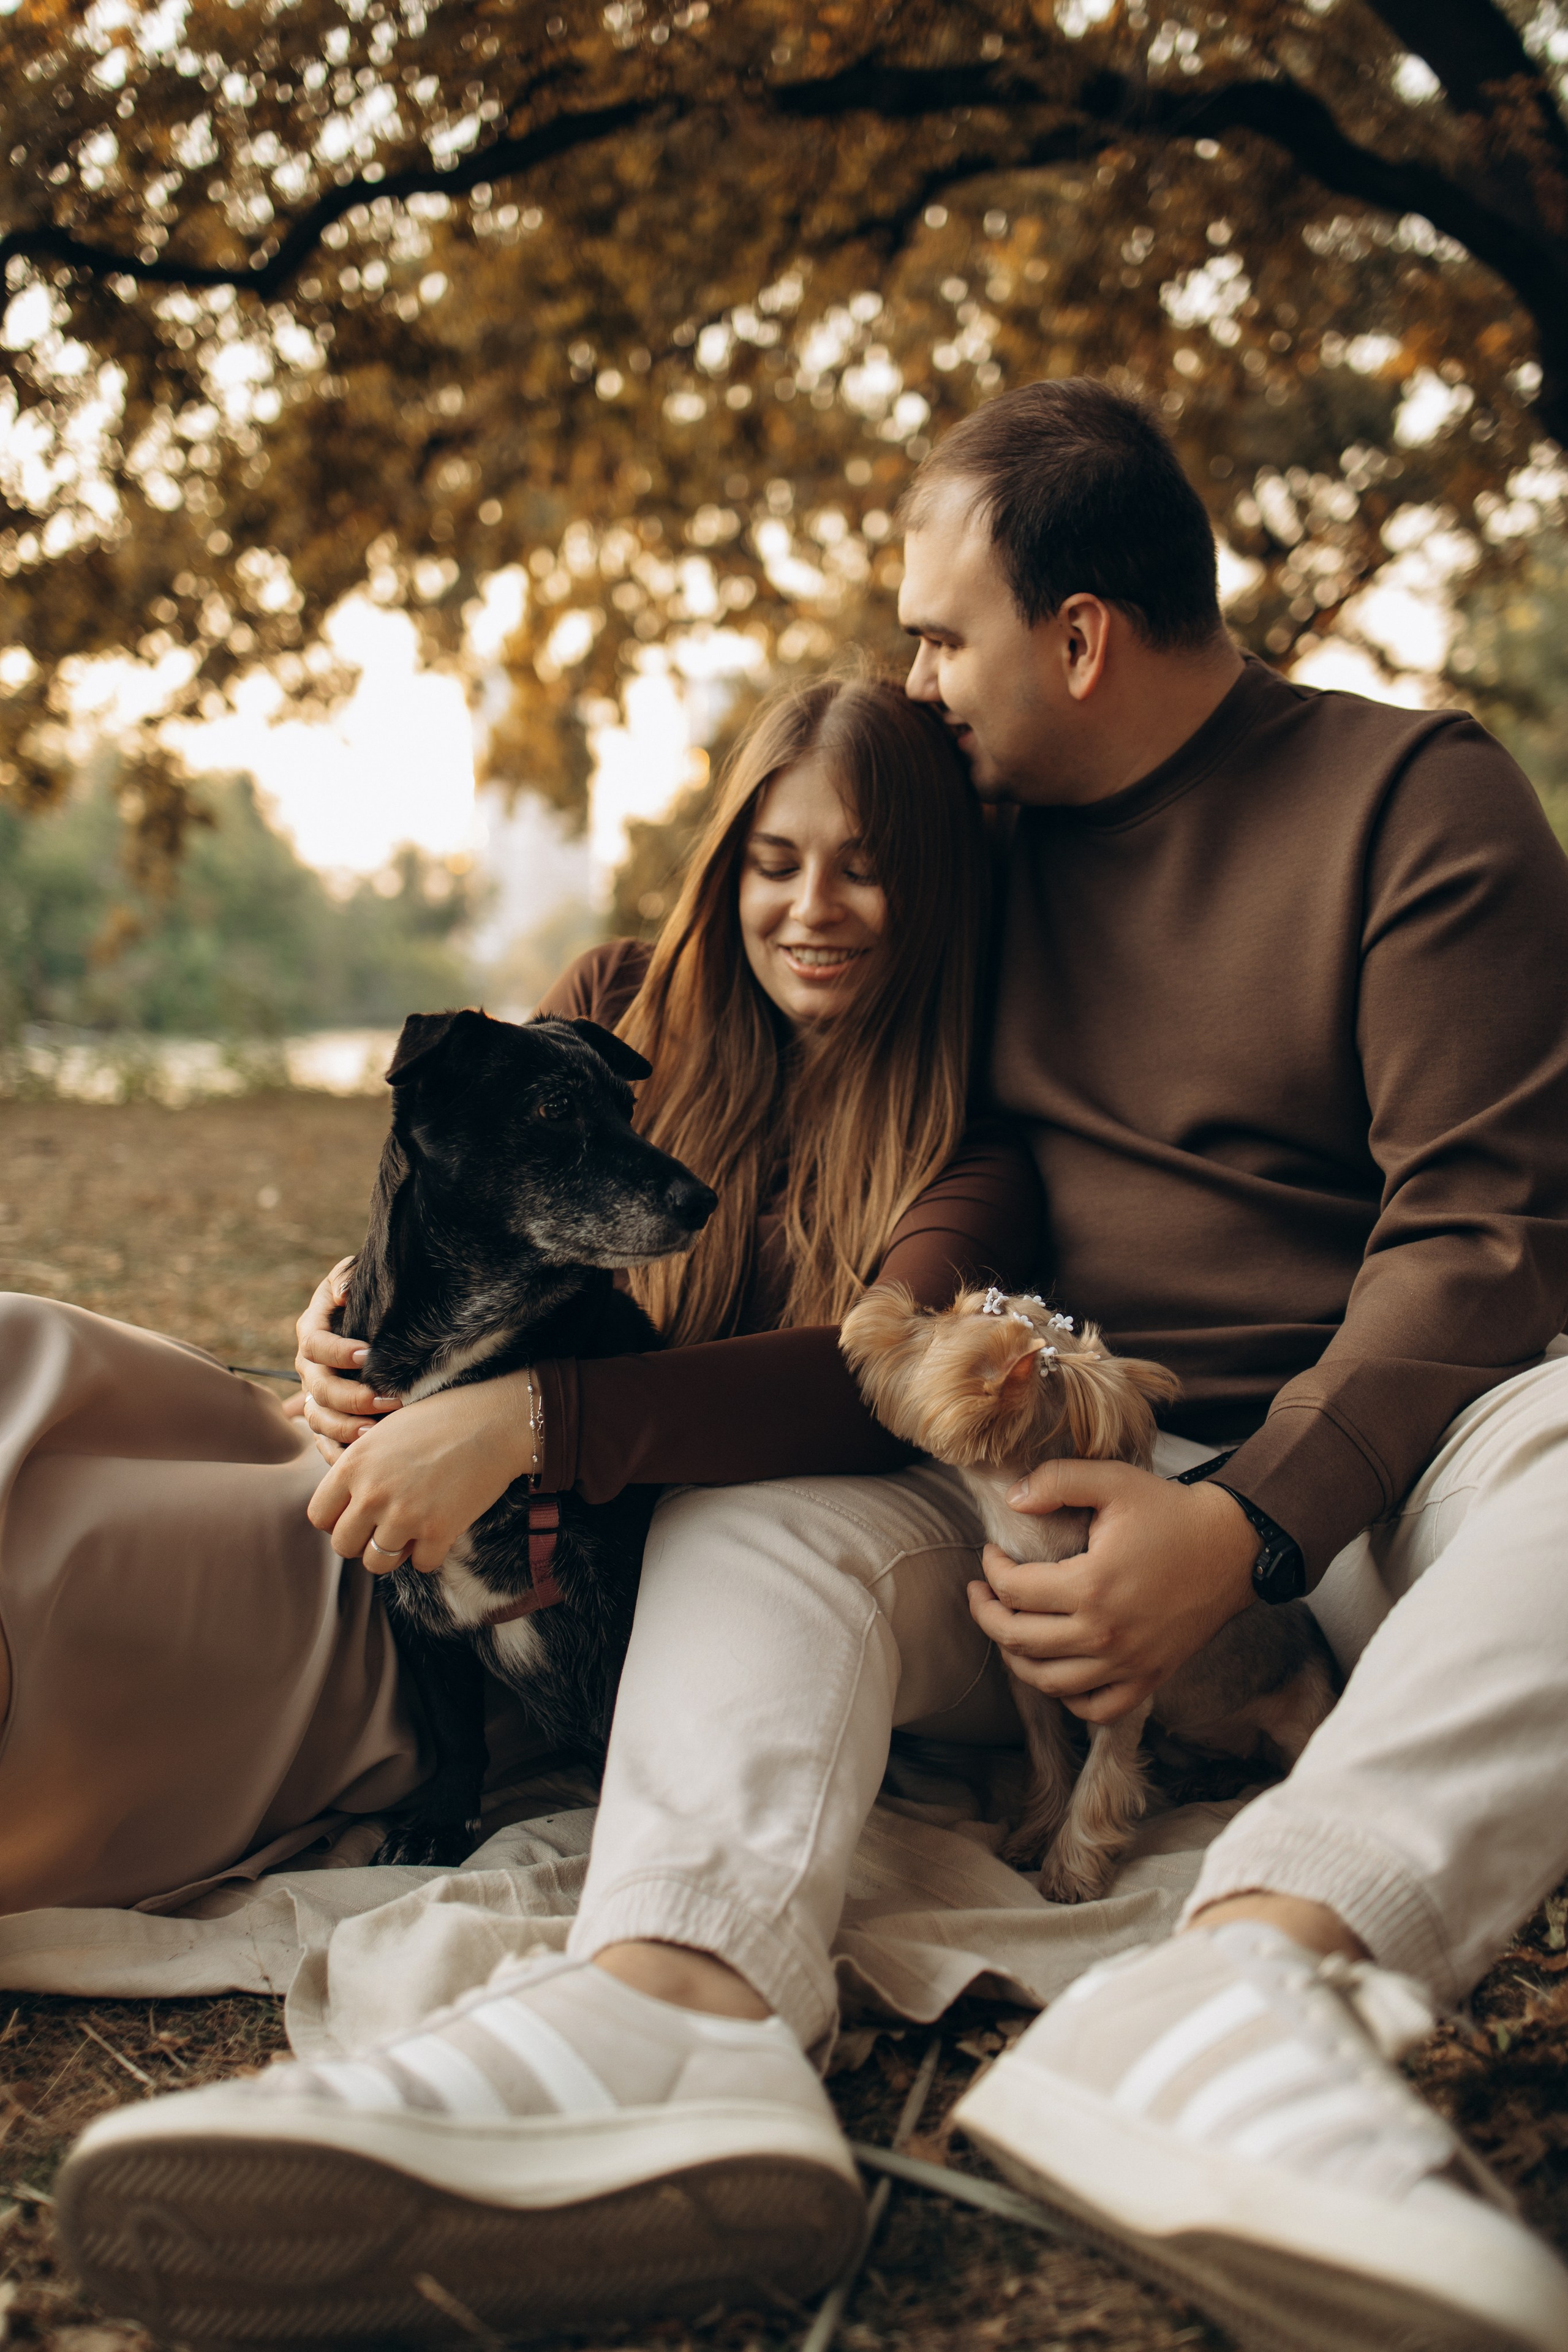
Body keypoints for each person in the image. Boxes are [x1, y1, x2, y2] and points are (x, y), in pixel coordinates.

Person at [59, 385, 1568, 2352]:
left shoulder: (1414, 805)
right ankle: (676, 2004)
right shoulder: (962, 839)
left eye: (943, 637)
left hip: (1374, 1467)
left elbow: (1487, 1241)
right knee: (760, 1515)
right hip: (1003, 1452)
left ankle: (1256, 1976)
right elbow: (716, 975)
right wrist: (396, 1289)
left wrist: (1245, 1527)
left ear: (1083, 637)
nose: (914, 678)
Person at [0, 676, 1038, 1938]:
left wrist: (523, 1423)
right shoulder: (612, 1002)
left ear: (928, 889)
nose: (810, 908)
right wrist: (340, 1322)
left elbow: (874, 1382)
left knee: (125, 1589)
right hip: (389, 1471)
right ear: (726, 871)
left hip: (578, 1591)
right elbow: (455, 1187)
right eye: (773, 862)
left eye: (862, 870)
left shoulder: (968, 1152)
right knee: (29, 1356)